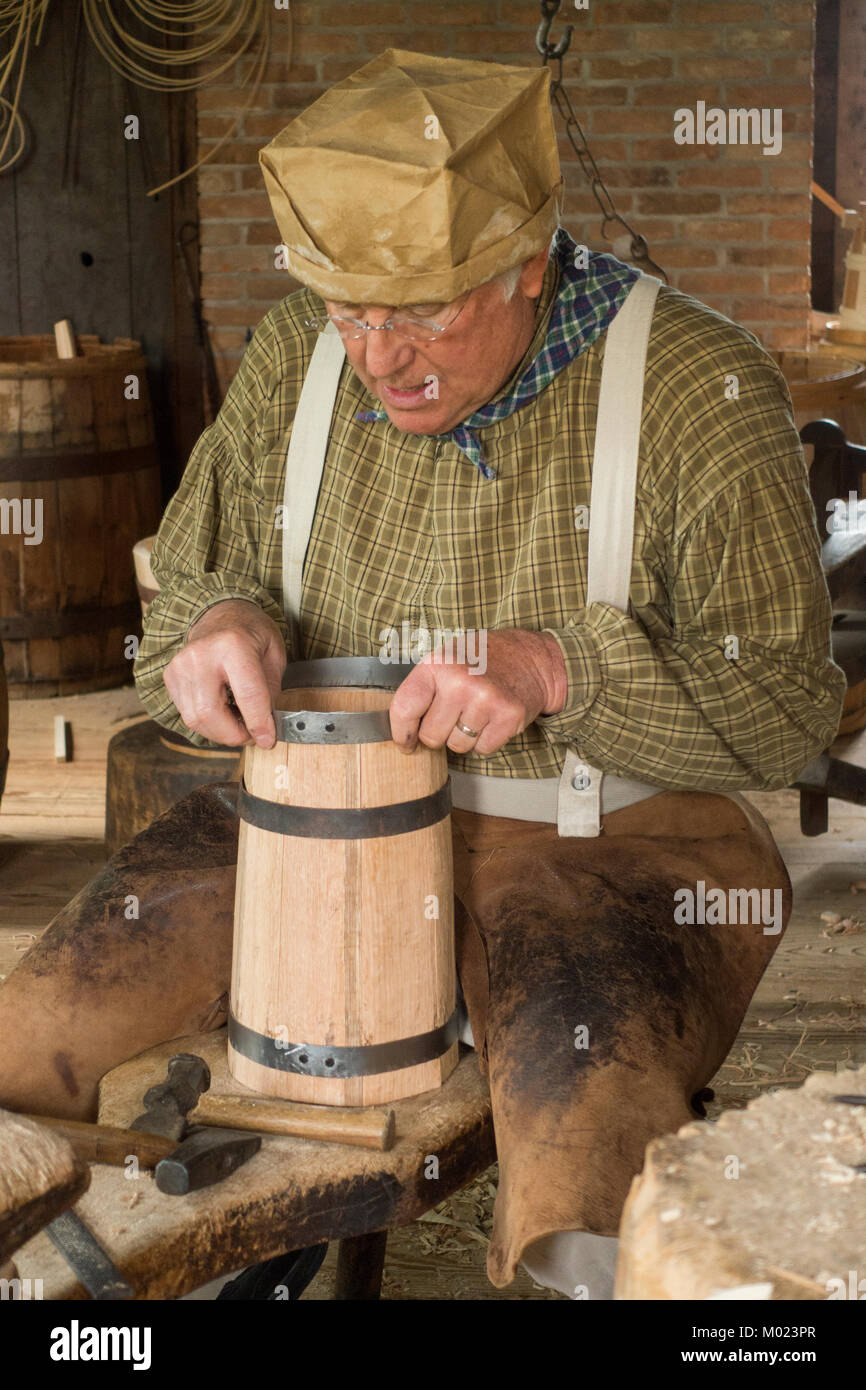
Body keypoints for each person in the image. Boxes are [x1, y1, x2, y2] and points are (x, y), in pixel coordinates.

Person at [0, 49, 844, 1301]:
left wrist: (562, 669)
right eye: (351, 310)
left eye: (423, 315)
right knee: (26, 1058)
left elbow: (789, 710)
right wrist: (214, 618)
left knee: (586, 1210)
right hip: (301, 838)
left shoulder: (695, 390)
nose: (379, 358)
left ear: (525, 264)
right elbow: (185, 580)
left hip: (602, 850)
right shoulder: (300, 354)